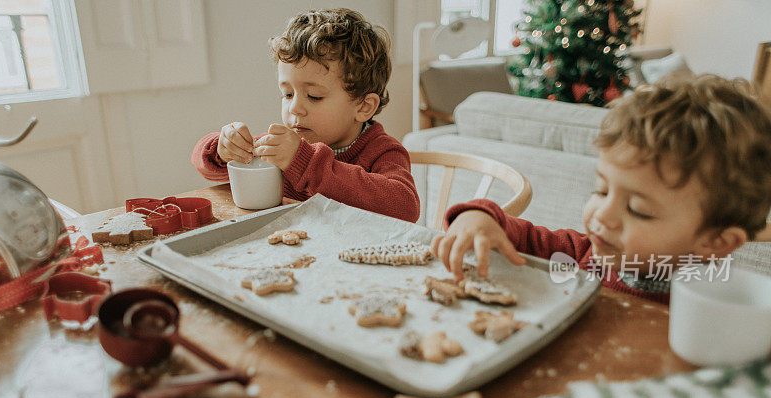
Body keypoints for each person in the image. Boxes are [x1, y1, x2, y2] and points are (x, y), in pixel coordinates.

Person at [432, 74, 771, 303]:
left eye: (638, 209)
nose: (602, 216)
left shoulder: (719, 307)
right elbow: (518, 238)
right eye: (601, 190)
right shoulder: (585, 256)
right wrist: (478, 216)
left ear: (716, 242)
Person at [191, 8, 419, 223]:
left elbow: (405, 207)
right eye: (288, 94)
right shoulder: (290, 144)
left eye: (314, 96)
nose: (295, 108)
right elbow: (205, 163)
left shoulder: (382, 152)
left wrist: (306, 162)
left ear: (363, 107)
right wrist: (223, 149)